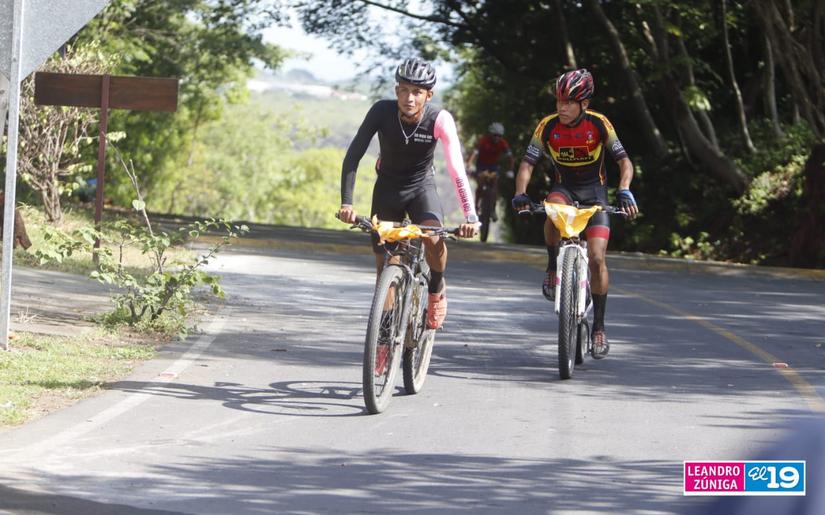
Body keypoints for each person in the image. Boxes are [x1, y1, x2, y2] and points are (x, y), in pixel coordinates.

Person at [337, 57, 479, 330]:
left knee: (434, 238)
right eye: (404, 90)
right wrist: (347, 203)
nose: (409, 98)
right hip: (388, 188)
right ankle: (385, 331)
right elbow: (353, 155)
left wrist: (470, 216)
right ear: (396, 91)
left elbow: (457, 170)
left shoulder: (439, 119)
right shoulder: (381, 111)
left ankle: (436, 287)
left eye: (417, 92)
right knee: (385, 263)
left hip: (421, 188)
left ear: (429, 95)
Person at [511, 68, 639, 359]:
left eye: (568, 102)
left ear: (584, 104)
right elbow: (527, 164)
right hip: (564, 189)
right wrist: (520, 193)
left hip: (596, 194)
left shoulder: (599, 124)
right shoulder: (547, 126)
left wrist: (625, 189)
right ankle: (553, 267)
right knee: (551, 210)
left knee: (596, 259)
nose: (561, 107)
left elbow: (625, 162)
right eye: (559, 101)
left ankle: (599, 328)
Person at [465, 122, 515, 221]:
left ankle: (492, 210)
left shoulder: (503, 143)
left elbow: (510, 157)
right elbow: (474, 153)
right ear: (491, 134)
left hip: (494, 166)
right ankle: (475, 207)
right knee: (480, 184)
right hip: (481, 165)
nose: (497, 137)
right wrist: (468, 165)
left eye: (499, 136)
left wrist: (511, 170)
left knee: (495, 187)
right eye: (495, 135)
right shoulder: (483, 141)